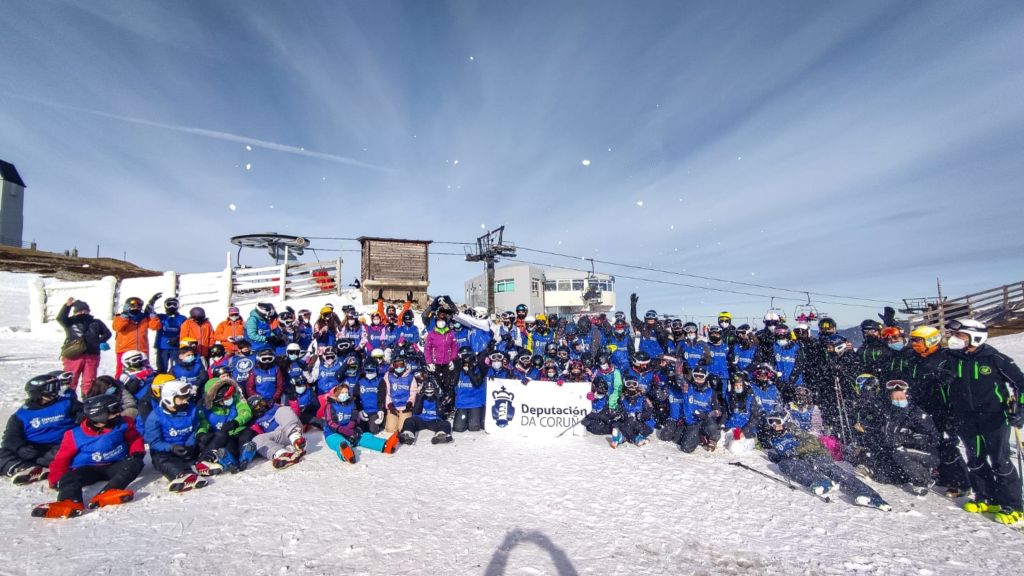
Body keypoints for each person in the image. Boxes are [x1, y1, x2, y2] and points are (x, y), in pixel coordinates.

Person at [941, 319, 1023, 524]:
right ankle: (986, 497)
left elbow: (1020, 382)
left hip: (993, 416)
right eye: (954, 336)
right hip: (965, 417)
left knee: (1000, 461)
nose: (954, 340)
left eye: (960, 336)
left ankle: (1013, 505)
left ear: (975, 336)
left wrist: (1020, 409)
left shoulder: (994, 358)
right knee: (975, 459)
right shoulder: (952, 358)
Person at [34, 395, 145, 518]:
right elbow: (61, 459)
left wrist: (136, 452)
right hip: (88, 468)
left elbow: (135, 438)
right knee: (69, 477)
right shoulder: (74, 435)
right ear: (99, 414)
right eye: (114, 411)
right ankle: (70, 501)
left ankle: (108, 492)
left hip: (116, 464)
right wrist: (55, 479)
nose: (119, 413)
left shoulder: (124, 423)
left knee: (134, 463)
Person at [762, 411, 891, 510]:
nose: (774, 425)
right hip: (798, 460)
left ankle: (870, 495)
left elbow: (813, 442)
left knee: (833, 471)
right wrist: (780, 457)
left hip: (814, 455)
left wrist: (797, 449)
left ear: (785, 421)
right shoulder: (773, 438)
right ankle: (819, 481)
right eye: (770, 422)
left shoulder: (793, 430)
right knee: (785, 465)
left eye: (777, 421)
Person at [899, 325, 969, 496]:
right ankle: (940, 474)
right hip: (920, 408)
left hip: (943, 408)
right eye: (913, 340)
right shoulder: (913, 358)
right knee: (927, 442)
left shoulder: (946, 357)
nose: (914, 344)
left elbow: (957, 381)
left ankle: (960, 482)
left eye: (918, 340)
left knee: (947, 444)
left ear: (931, 340)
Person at [859, 379, 940, 497]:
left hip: (926, 454)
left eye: (901, 397)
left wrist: (903, 439)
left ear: (907, 394)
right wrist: (866, 427)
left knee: (898, 451)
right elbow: (871, 404)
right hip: (899, 452)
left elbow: (933, 438)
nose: (898, 400)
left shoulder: (916, 413)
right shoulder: (889, 412)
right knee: (881, 476)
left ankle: (923, 480)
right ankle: (906, 476)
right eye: (895, 397)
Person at [1, 372, 81, 485]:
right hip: (34, 450)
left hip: (61, 447)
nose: (56, 391)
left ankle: (42, 467)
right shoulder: (21, 415)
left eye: (57, 387)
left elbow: (84, 415)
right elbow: (10, 438)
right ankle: (23, 468)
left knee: (72, 453)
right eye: (52, 388)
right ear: (38, 392)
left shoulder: (66, 403)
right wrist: (20, 448)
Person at [145, 379, 223, 492]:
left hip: (189, 447)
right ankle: (183, 475)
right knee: (160, 458)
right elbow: (154, 442)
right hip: (170, 451)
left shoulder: (192, 409)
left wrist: (191, 443)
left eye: (186, 398)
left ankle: (203, 463)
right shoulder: (155, 416)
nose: (186, 401)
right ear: (170, 398)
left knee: (209, 437)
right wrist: (172, 447)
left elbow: (196, 428)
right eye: (181, 398)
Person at [322, 383, 399, 463]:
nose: (344, 394)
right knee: (339, 442)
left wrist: (352, 426)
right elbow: (330, 423)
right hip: (333, 433)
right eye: (342, 393)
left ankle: (385, 445)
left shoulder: (351, 403)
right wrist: (344, 430)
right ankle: (345, 453)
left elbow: (355, 415)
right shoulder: (330, 406)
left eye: (346, 392)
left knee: (365, 437)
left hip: (350, 430)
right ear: (336, 394)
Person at [197, 378, 256, 473]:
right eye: (226, 398)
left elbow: (245, 412)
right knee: (229, 446)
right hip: (226, 436)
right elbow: (203, 424)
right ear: (217, 399)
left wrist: (235, 422)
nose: (230, 399)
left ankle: (245, 454)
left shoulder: (236, 399)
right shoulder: (206, 411)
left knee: (248, 433)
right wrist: (201, 433)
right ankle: (229, 462)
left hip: (239, 430)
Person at [55, 298, 111, 395]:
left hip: (92, 355)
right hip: (74, 355)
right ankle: (69, 399)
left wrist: (99, 342)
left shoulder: (96, 322)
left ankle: (87, 400)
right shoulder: (70, 321)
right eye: (80, 311)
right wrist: (67, 306)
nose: (83, 312)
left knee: (89, 381)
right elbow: (60, 318)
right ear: (76, 312)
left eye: (85, 310)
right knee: (70, 380)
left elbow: (107, 333)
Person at [247, 396, 305, 469]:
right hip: (277, 436)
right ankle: (282, 454)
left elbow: (294, 413)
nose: (261, 406)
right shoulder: (255, 422)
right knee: (256, 440)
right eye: (257, 407)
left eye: (261, 403)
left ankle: (296, 438)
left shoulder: (275, 407)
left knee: (282, 410)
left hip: (288, 427)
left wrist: (293, 401)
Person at [111, 294, 162, 378]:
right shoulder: (120, 317)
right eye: (133, 306)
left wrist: (152, 314)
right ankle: (119, 387)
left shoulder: (143, 318)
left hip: (141, 349)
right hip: (125, 349)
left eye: (139, 306)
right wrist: (125, 316)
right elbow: (117, 327)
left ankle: (143, 387)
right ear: (127, 306)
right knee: (121, 371)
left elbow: (155, 326)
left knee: (144, 371)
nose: (136, 308)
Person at [677, 367, 722, 453]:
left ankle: (712, 439)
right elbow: (679, 377)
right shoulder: (687, 388)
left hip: (704, 420)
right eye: (696, 376)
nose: (698, 379)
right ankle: (700, 436)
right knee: (684, 446)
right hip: (692, 422)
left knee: (711, 425)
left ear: (705, 377)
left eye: (701, 377)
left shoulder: (710, 392)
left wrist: (707, 415)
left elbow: (718, 411)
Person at [398, 376, 453, 445]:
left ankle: (440, 435)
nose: (429, 390)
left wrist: (438, 399)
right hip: (420, 419)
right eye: (427, 388)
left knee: (446, 423)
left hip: (434, 420)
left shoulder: (439, 397)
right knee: (408, 420)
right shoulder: (420, 396)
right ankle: (408, 434)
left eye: (431, 388)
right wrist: (420, 398)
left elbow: (440, 414)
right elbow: (416, 412)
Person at [721, 372, 761, 453]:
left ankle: (753, 441)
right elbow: (725, 413)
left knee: (734, 449)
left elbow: (755, 417)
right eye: (736, 385)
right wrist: (722, 425)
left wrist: (745, 431)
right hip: (732, 427)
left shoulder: (751, 397)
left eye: (740, 385)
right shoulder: (729, 396)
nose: (738, 387)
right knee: (718, 443)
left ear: (744, 385)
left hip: (745, 430)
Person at [610, 379, 654, 448]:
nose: (631, 386)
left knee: (628, 423)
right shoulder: (622, 399)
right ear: (625, 385)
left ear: (637, 385)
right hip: (630, 424)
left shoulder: (643, 398)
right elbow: (621, 411)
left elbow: (649, 412)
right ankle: (631, 438)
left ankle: (624, 438)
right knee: (617, 423)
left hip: (645, 425)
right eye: (628, 383)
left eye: (634, 384)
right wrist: (619, 414)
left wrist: (638, 416)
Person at [452, 347, 486, 433]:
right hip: (462, 403)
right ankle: (465, 417)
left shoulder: (478, 369)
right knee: (458, 428)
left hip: (475, 402)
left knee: (474, 427)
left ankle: (477, 416)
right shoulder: (458, 370)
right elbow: (453, 385)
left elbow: (476, 383)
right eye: (463, 356)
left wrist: (470, 370)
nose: (465, 359)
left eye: (467, 356)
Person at [384, 357, 419, 433]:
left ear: (404, 365)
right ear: (393, 366)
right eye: (396, 365)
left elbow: (413, 391)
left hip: (405, 407)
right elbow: (386, 392)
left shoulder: (410, 377)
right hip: (393, 406)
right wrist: (389, 404)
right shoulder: (388, 376)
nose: (399, 367)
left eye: (401, 365)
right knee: (391, 429)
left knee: (402, 429)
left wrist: (410, 402)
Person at [154, 297, 186, 373]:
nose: (171, 307)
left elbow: (186, 331)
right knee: (161, 367)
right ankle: (161, 380)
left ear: (178, 306)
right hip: (162, 346)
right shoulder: (161, 317)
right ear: (165, 306)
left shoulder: (182, 318)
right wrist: (151, 303)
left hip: (176, 347)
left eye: (174, 305)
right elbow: (149, 315)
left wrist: (178, 338)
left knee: (176, 366)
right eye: (169, 304)